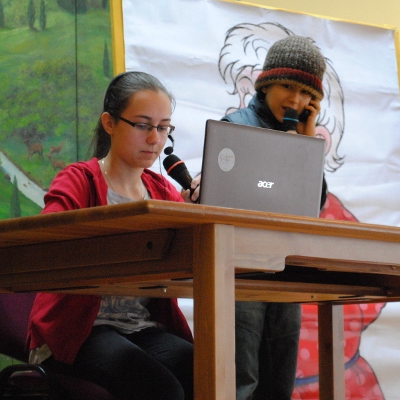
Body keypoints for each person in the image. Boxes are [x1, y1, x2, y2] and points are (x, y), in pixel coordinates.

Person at [26, 71, 194, 400]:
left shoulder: (163, 192)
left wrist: (196, 215)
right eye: (143, 125)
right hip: (78, 330)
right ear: (109, 123)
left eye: (163, 128)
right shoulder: (78, 179)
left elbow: (190, 255)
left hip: (141, 327)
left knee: (203, 368)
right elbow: (48, 241)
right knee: (161, 388)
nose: (155, 139)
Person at [184, 35, 328, 399]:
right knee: (240, 379)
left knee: (279, 380)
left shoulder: (303, 133)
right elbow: (219, 193)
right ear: (266, 84)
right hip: (240, 269)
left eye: (306, 94)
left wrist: (307, 143)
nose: (295, 100)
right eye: (287, 87)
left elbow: (313, 206)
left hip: (285, 269)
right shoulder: (237, 125)